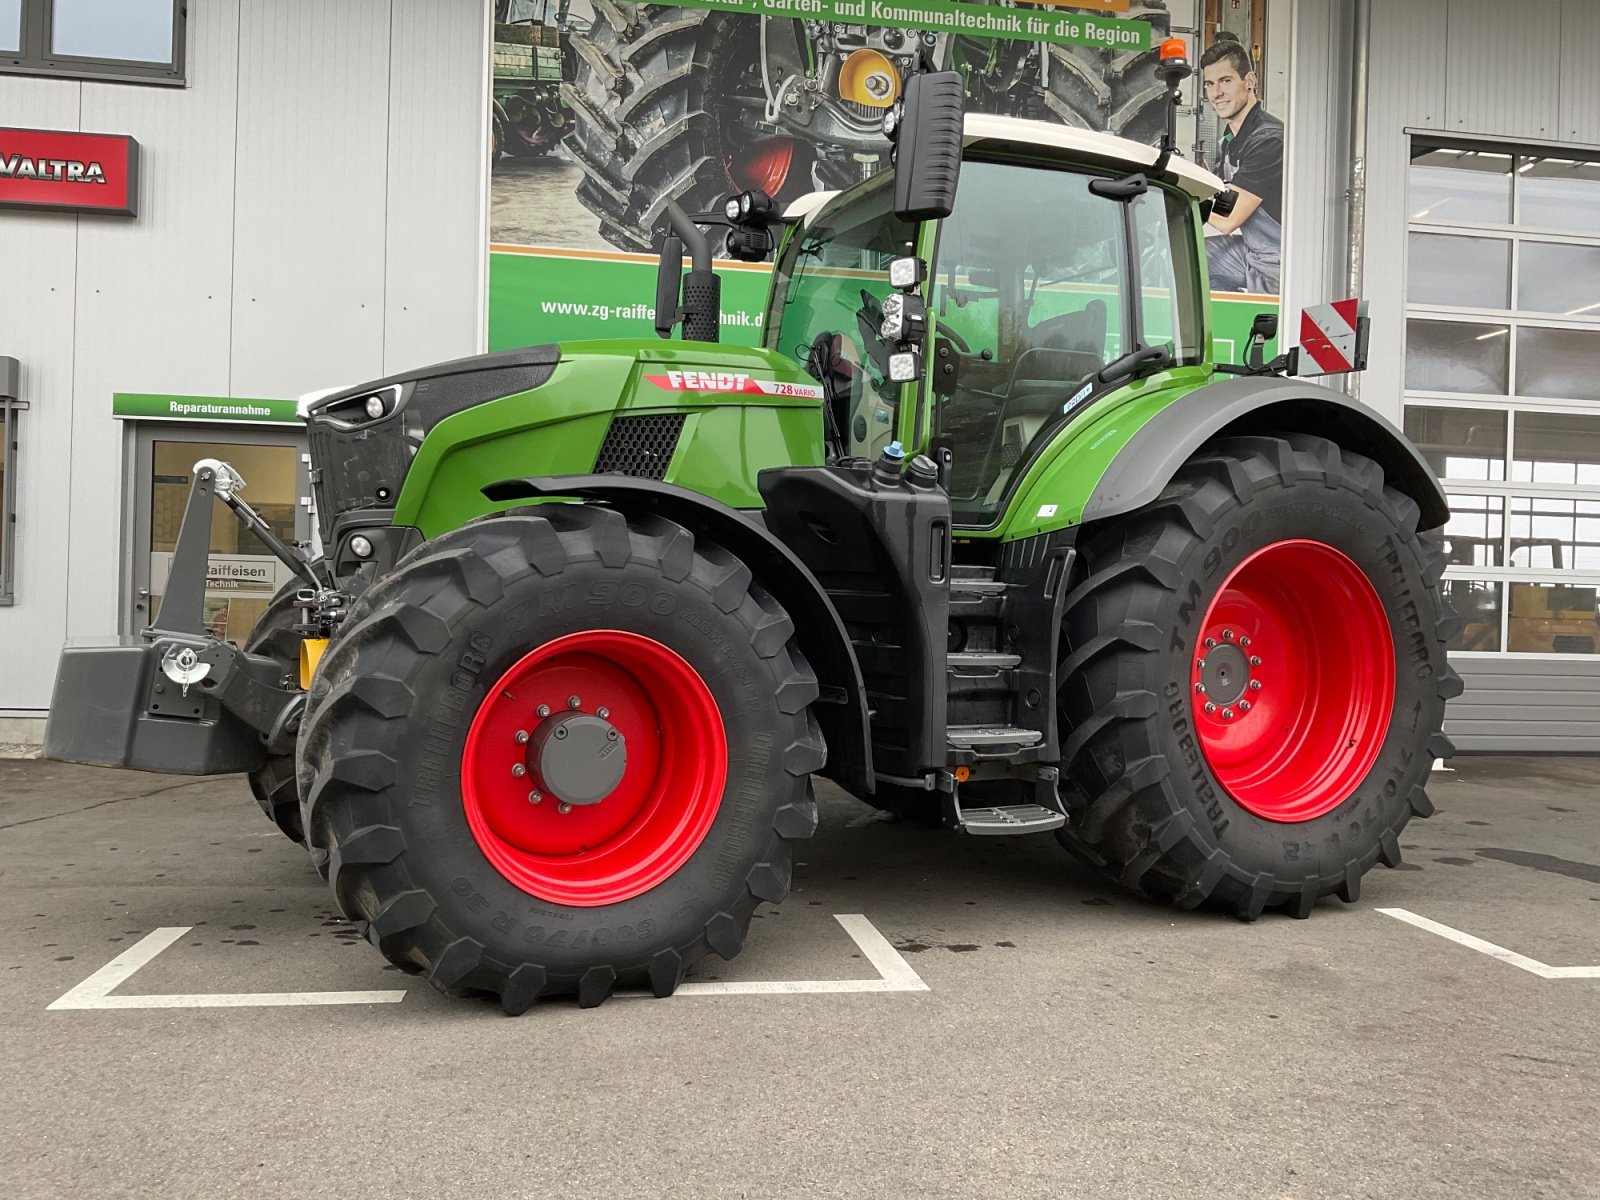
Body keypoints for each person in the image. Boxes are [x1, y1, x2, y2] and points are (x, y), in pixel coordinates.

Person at [1201, 34, 1284, 294]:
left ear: (1249, 81)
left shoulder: (1269, 139)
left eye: (1226, 81)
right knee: (1180, 254)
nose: (1217, 93)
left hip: (1278, 263)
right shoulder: (1232, 138)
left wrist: (1187, 200)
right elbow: (1222, 194)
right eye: (1209, 84)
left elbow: (1227, 220)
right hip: (1253, 251)